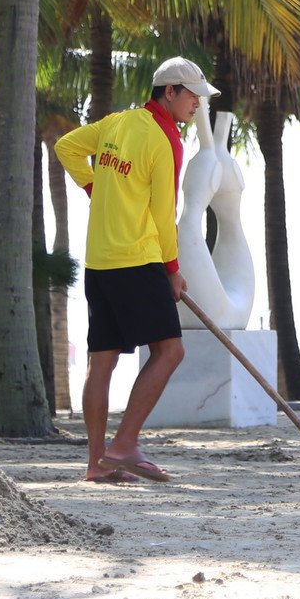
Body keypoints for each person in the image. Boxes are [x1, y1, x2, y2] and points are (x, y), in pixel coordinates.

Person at [55, 55, 218, 484]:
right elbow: (165, 214)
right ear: (170, 92)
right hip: (138, 259)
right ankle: (124, 443)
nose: (197, 105)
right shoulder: (166, 140)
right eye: (192, 96)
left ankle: (96, 464)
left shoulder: (115, 123)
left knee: (102, 360)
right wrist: (172, 269)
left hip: (100, 261)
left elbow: (67, 147)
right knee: (171, 351)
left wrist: (96, 188)